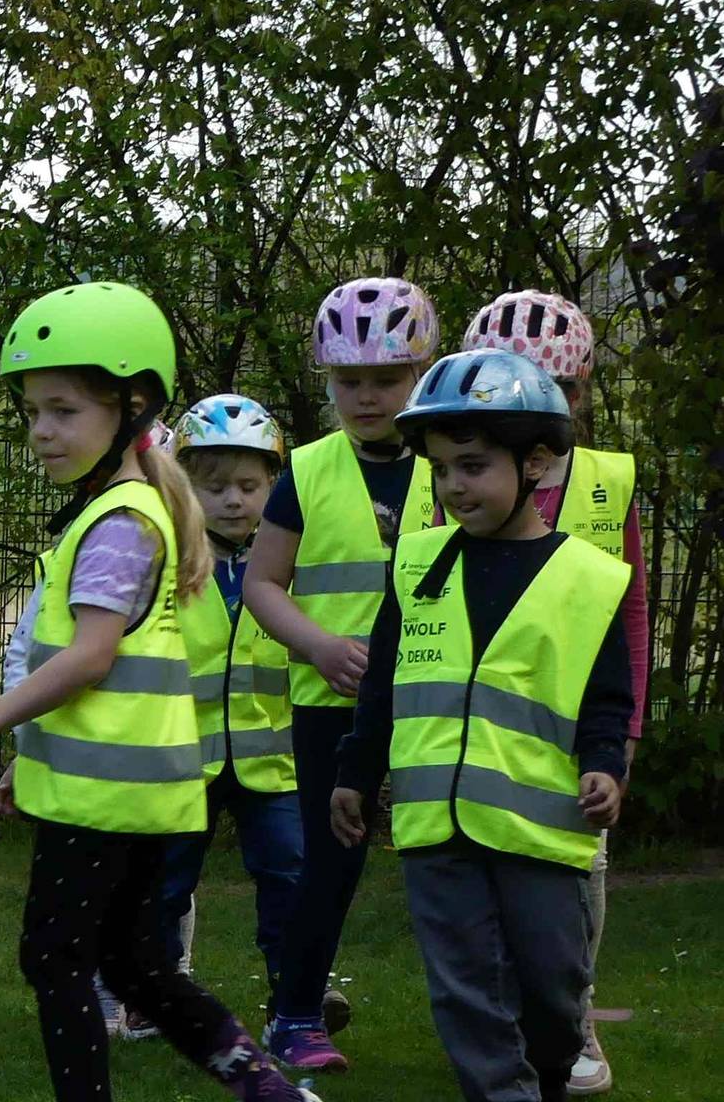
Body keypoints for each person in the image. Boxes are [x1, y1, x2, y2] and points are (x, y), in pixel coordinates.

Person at [0, 282, 314, 1102]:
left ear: (129, 410)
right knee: (134, 965)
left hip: (108, 794)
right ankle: (272, 1090)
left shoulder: (121, 523)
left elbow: (90, 658)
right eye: (31, 412)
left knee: (56, 957)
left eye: (62, 411)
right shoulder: (119, 509)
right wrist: (30, 755)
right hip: (124, 788)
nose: (41, 432)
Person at [329, 348, 632, 1102]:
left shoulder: (588, 579)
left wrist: (606, 763)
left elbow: (606, 696)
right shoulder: (417, 565)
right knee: (466, 989)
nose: (453, 486)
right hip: (437, 831)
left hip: (541, 830)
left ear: (532, 462)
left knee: (555, 998)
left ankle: (545, 1078)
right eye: (440, 469)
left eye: (471, 466)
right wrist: (354, 775)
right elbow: (383, 688)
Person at [241, 276, 440, 1072]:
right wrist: (318, 645)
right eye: (348, 381)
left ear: (422, 371)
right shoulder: (309, 470)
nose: (365, 396)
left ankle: (500, 1014)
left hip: (436, 698)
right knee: (331, 861)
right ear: (327, 378)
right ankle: (294, 1014)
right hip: (332, 701)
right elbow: (262, 584)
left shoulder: (454, 462)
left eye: (386, 379)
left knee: (456, 857)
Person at [459, 290, 649, 1096]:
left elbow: (633, 603)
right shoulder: (463, 473)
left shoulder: (610, 479)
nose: (544, 403)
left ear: (582, 394)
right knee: (485, 878)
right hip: (490, 723)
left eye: (564, 388)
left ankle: (574, 1023)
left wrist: (627, 727)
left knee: (581, 872)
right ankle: (499, 1026)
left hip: (582, 722)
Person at [118, 395, 303, 1041]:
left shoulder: (287, 564)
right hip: (182, 758)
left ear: (274, 486)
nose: (233, 500)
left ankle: (295, 1004)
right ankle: (155, 997)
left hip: (269, 760)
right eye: (214, 485)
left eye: (250, 486)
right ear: (183, 483)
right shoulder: (163, 560)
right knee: (165, 885)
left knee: (289, 876)